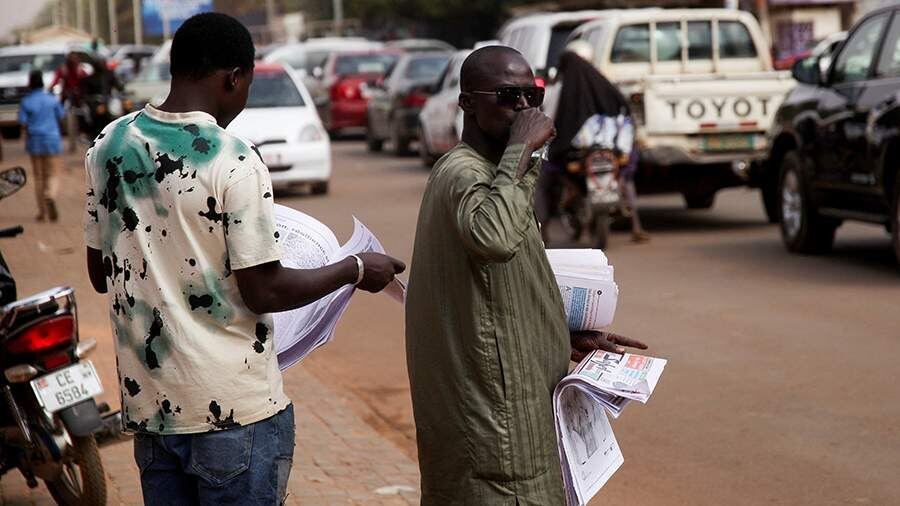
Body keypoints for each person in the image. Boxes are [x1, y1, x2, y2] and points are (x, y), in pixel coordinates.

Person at [83, 13, 404, 505]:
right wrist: (355, 268)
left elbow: (99, 274)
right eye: (247, 84)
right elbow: (264, 290)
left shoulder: (109, 145)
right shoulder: (232, 158)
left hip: (151, 413)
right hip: (234, 414)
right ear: (233, 78)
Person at [405, 46, 648, 505]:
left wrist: (559, 335)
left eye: (531, 96)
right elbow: (494, 238)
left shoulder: (499, 174)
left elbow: (492, 293)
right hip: (495, 430)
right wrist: (524, 149)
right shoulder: (464, 173)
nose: (523, 108)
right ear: (467, 103)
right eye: (507, 95)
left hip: (510, 417)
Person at [545, 40, 649, 243]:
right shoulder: (605, 83)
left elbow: (548, 118)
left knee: (546, 177)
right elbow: (623, 112)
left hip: (573, 151)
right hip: (611, 148)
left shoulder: (560, 90)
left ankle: (544, 230)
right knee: (626, 177)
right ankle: (636, 225)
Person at [18, 69, 64, 222]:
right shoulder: (51, 99)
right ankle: (50, 196)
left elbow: (23, 122)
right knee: (53, 174)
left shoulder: (26, 101)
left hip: (35, 141)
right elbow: (61, 115)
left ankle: (42, 212)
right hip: (52, 140)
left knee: (38, 177)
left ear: (30, 83)